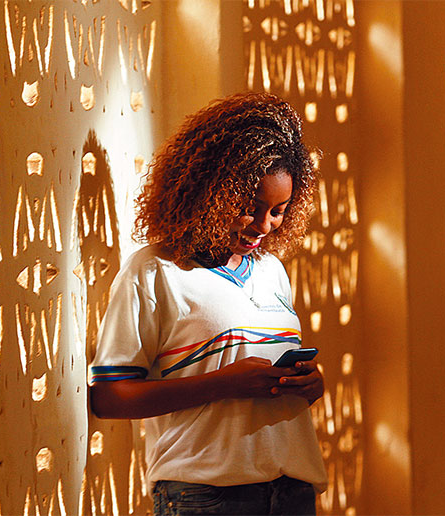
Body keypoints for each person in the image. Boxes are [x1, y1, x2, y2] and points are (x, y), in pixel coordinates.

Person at [88, 92, 328, 515]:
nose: (264, 225)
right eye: (249, 207)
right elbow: (109, 398)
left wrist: (308, 385)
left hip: (292, 490)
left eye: (278, 210)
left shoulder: (271, 271)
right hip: (205, 495)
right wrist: (223, 383)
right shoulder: (154, 273)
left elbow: (259, 391)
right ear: (210, 190)